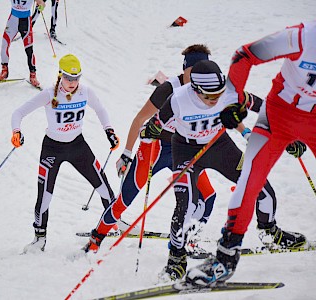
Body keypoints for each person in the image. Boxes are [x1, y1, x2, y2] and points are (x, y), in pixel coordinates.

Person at [83, 45, 255, 256]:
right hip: (156, 148)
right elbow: (139, 119)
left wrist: (244, 130)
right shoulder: (169, 90)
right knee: (124, 199)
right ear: (185, 70)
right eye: (193, 72)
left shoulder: (207, 91)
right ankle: (96, 238)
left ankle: (189, 240)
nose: (197, 79)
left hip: (184, 150)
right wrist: (127, 153)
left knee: (208, 196)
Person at [186, 21, 314, 287]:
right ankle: (225, 257)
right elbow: (244, 55)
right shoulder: (302, 37)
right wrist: (232, 103)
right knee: (250, 181)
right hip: (279, 115)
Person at [154, 59, 306, 282]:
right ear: (195, 89)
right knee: (185, 204)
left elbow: (265, 108)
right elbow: (157, 123)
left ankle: (269, 231)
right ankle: (176, 257)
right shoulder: (177, 100)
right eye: (209, 96)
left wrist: (288, 134)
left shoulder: (229, 92)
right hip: (186, 151)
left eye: (218, 94)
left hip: (220, 146)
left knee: (260, 185)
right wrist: (149, 131)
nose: (215, 99)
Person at [11, 54, 120, 253]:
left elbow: (101, 110)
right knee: (44, 196)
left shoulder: (85, 92)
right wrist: (16, 131)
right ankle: (39, 239)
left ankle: (115, 223)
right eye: (69, 78)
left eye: (76, 78)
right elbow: (18, 113)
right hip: (52, 148)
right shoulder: (48, 94)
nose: (72, 83)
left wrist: (109, 131)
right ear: (60, 75)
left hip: (78, 146)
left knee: (103, 186)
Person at [0, 0, 45, 87]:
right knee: (4, 45)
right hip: (12, 21)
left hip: (25, 22)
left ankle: (33, 75)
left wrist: (41, 6)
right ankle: (4, 71)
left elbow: (42, 2)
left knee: (29, 50)